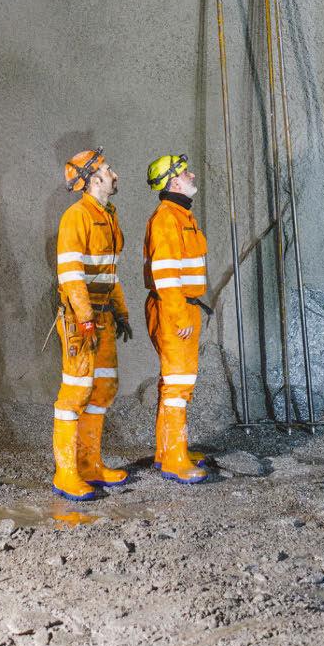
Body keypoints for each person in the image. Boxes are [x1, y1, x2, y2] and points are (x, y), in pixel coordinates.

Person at [51, 148, 134, 501]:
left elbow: (109, 273)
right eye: (108, 169)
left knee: (103, 388)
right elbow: (71, 275)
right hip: (81, 319)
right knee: (76, 392)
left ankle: (90, 464)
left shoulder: (108, 216)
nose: (115, 174)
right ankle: (66, 473)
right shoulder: (77, 216)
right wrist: (85, 320)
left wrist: (121, 312)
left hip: (103, 316)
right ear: (94, 178)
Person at [143, 153, 210, 483]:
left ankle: (167, 451)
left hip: (183, 307)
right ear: (173, 182)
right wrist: (179, 315)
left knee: (174, 382)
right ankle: (174, 459)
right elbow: (166, 274)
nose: (192, 175)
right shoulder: (167, 218)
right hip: (174, 309)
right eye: (185, 173)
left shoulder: (181, 215)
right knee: (178, 384)